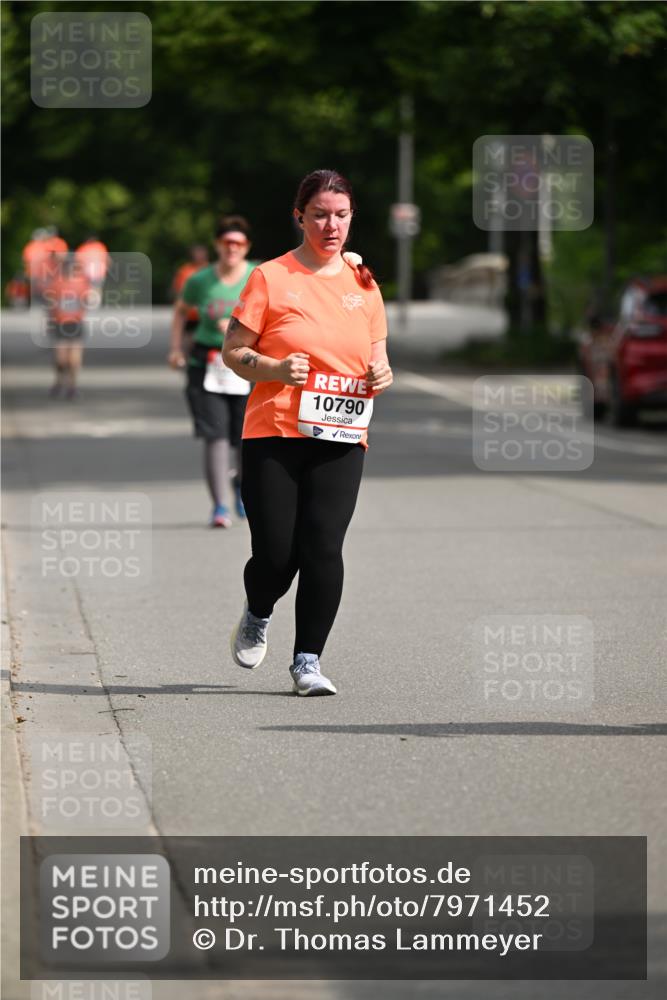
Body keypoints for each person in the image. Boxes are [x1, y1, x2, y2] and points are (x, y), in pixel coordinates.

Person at [222, 169, 393, 696]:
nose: (331, 224)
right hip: (274, 430)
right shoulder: (270, 277)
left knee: (323, 547)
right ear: (300, 217)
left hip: (341, 433)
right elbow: (234, 352)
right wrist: (273, 369)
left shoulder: (364, 284)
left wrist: (381, 374)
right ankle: (258, 609)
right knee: (276, 554)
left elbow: (377, 358)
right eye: (320, 214)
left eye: (341, 215)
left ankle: (308, 661)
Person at [168, 216, 255, 527]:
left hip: (248, 365)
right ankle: (219, 506)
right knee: (214, 435)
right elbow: (180, 312)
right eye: (226, 242)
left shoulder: (258, 277)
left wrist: (236, 329)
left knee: (247, 437)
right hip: (207, 364)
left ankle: (243, 490)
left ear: (247, 247)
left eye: (238, 243)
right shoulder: (200, 280)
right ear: (217, 245)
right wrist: (176, 348)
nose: (232, 248)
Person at [42, 254, 91, 398]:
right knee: (61, 359)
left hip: (75, 323)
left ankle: (72, 386)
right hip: (60, 323)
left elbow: (86, 300)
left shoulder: (81, 283)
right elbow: (50, 303)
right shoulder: (57, 283)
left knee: (73, 358)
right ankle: (59, 382)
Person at [170, 244, 209, 358]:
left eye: (201, 253)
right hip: (189, 316)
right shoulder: (185, 271)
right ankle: (190, 360)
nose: (199, 256)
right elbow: (178, 291)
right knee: (190, 342)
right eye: (197, 253)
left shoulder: (211, 271)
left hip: (205, 316)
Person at [74, 236, 110, 308]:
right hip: (99, 271)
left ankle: (91, 302)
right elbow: (107, 258)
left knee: (89, 288)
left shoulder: (84, 248)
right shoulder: (100, 246)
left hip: (87, 272)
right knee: (96, 288)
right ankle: (95, 303)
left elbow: (78, 261)